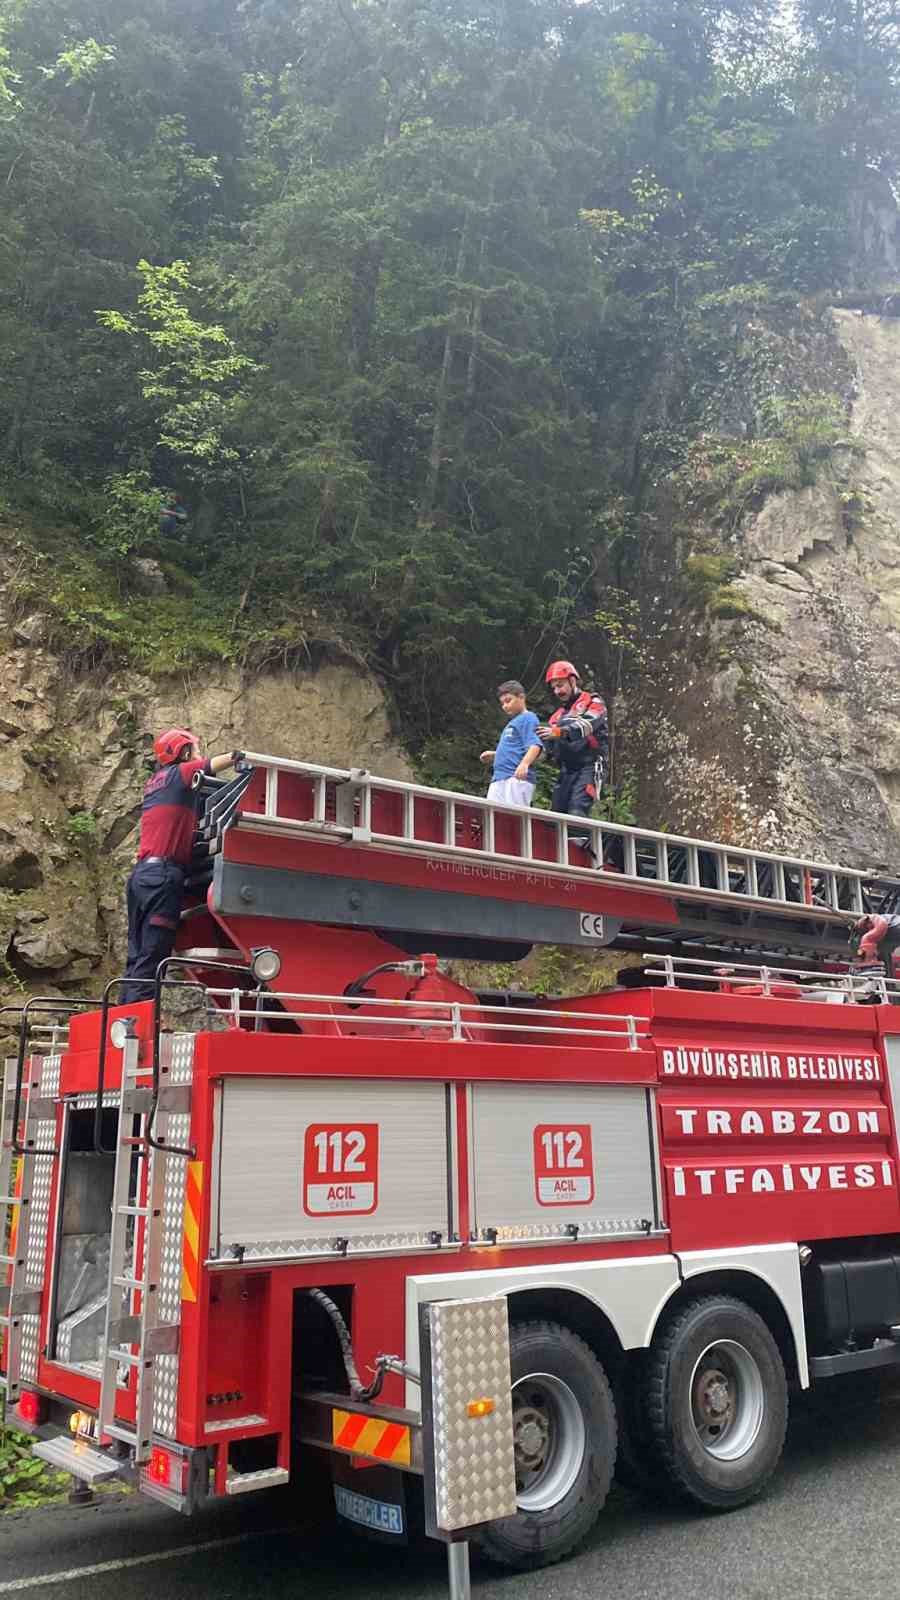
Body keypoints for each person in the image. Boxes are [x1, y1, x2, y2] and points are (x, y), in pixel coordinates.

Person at [119, 729, 243, 1005]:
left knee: (136, 954)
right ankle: (134, 1027)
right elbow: (211, 765)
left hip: (141, 877)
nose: (198, 754)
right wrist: (238, 757)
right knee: (153, 953)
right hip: (162, 877)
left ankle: (120, 1020)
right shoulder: (180, 775)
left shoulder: (155, 783)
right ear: (184, 752)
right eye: (195, 749)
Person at [537, 661, 609, 844]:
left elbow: (587, 724)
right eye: (554, 688)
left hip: (590, 765)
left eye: (560, 685)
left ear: (572, 680)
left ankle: (582, 857)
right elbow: (546, 751)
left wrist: (561, 732)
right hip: (567, 770)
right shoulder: (557, 716)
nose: (557, 691)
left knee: (577, 810)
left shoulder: (593, 702)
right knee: (555, 815)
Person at [479, 680, 543, 807]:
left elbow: (535, 745)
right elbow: (514, 749)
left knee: (514, 816)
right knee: (492, 814)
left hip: (516, 777)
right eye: (502, 703)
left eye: (508, 701)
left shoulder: (528, 718)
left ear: (521, 697)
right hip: (499, 777)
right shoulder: (512, 723)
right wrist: (496, 755)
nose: (505, 706)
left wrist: (524, 764)